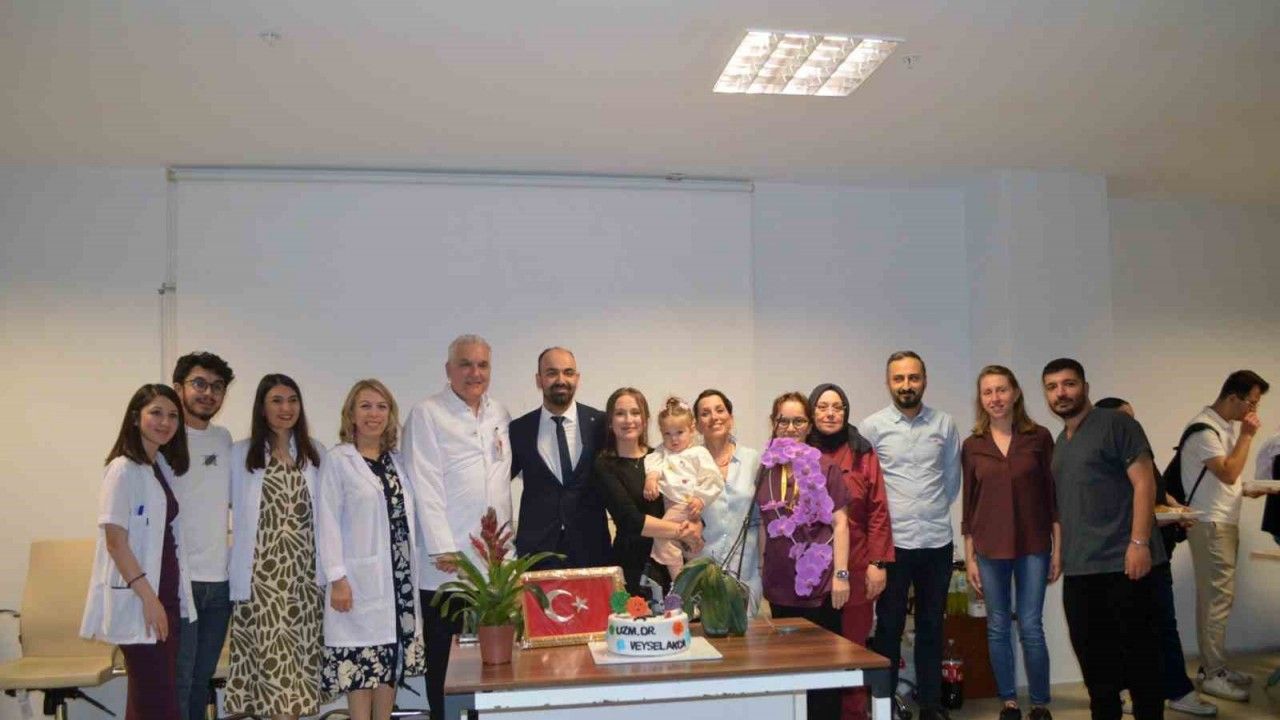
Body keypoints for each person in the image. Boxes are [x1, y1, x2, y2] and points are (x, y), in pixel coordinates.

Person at [1041, 358, 1165, 720]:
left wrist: (1139, 543)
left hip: (1124, 565)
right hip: (1082, 570)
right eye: (1052, 387)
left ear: (1085, 387)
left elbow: (1144, 482)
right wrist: (1059, 553)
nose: (1061, 393)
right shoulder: (1061, 442)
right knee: (1096, 669)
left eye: (1069, 384)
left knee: (1141, 664)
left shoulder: (1116, 424)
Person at [401, 335, 512, 719]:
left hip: (493, 568)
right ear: (449, 370)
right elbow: (423, 481)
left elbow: (500, 484)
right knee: (445, 663)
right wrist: (442, 546)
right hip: (446, 567)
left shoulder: (499, 413)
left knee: (492, 662)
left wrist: (507, 550)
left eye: (482, 365)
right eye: (465, 364)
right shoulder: (427, 413)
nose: (474, 373)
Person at [1094, 397, 1217, 717]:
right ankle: (1127, 690)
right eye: (1124, 419)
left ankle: (1177, 690)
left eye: (1133, 418)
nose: (1132, 425)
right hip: (1121, 558)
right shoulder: (1101, 461)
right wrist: (1162, 516)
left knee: (1163, 624)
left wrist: (1177, 509)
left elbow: (1156, 491)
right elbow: (1122, 510)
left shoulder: (1139, 450)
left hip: (1157, 554)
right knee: (1123, 629)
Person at [81, 384, 195, 720]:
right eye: (156, 413)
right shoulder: (122, 469)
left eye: (172, 415)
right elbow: (115, 542)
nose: (165, 422)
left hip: (167, 597)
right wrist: (149, 598)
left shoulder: (158, 466)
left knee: (147, 702)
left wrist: (162, 599)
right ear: (135, 418)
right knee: (159, 705)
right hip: (143, 600)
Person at [315, 379, 425, 720]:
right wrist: (337, 578)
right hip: (357, 581)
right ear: (351, 414)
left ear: (390, 414)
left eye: (381, 407)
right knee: (360, 668)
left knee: (389, 664)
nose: (373, 414)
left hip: (400, 583)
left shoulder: (398, 462)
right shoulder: (339, 460)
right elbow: (327, 522)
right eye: (365, 406)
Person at [861, 351, 961, 720]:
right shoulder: (872, 427)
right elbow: (868, 488)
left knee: (932, 625)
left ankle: (931, 705)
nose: (907, 385)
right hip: (893, 545)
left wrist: (927, 509)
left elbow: (951, 481)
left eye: (913, 378)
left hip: (936, 542)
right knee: (888, 627)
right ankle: (884, 706)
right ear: (889, 382)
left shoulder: (944, 424)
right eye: (899, 378)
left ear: (924, 380)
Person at [225, 374, 329, 718]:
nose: (286, 408)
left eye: (292, 400)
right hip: (262, 586)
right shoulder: (240, 454)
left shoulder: (316, 453)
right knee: (272, 681)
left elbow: (329, 517)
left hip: (304, 585)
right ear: (262, 407)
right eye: (277, 400)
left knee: (298, 678)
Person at [961, 366, 1059, 720]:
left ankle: (1040, 703)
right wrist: (970, 558)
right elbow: (969, 505)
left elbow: (1054, 498)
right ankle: (1009, 701)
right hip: (989, 547)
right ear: (981, 399)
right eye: (987, 392)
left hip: (1034, 544)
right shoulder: (972, 445)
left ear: (1015, 393)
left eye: (1001, 390)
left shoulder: (1039, 437)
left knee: (1031, 626)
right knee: (998, 626)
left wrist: (1058, 549)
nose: (995, 398)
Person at [757, 391, 852, 720]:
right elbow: (764, 525)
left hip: (822, 587)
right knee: (788, 674)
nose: (790, 427)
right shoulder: (766, 470)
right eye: (783, 420)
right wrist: (762, 571)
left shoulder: (826, 467)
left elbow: (841, 523)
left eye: (798, 420)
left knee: (825, 676)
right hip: (780, 586)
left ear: (809, 425)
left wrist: (841, 575)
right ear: (773, 423)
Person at [1179, 370, 1269, 702]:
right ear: (1233, 397)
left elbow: (1226, 481)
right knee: (1216, 601)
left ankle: (1214, 667)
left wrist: (1248, 489)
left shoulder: (1223, 428)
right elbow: (1229, 472)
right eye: (1252, 403)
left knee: (1218, 600)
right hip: (1211, 526)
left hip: (1221, 522)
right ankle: (1212, 674)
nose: (1254, 411)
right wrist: (1247, 435)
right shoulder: (1205, 429)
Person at [806, 383, 893, 720]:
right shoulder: (800, 451)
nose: (830, 413)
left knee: (853, 653)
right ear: (812, 412)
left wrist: (878, 562)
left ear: (846, 412)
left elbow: (878, 510)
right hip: (810, 575)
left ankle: (855, 714)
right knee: (818, 657)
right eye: (823, 407)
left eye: (837, 407)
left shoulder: (862, 452)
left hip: (856, 568)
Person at [170, 351, 235, 720]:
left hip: (219, 583)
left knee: (200, 681)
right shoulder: (164, 438)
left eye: (217, 386)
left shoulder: (224, 440)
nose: (208, 393)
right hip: (179, 582)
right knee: (177, 682)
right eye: (199, 383)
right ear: (179, 387)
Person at [592, 387, 703, 597]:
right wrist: (683, 532)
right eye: (620, 413)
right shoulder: (604, 465)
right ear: (610, 422)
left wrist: (696, 523)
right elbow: (631, 520)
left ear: (645, 420)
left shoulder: (661, 456)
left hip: (671, 564)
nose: (628, 420)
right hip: (632, 567)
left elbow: (685, 496)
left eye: (635, 412)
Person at [508, 347, 612, 568]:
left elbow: (627, 465)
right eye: (552, 373)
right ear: (539, 380)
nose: (561, 380)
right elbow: (496, 481)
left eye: (568, 372)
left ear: (577, 378)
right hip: (537, 553)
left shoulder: (601, 424)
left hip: (592, 548)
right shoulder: (519, 430)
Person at [691, 389, 763, 612]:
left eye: (720, 410)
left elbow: (764, 517)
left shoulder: (753, 459)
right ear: (697, 425)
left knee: (748, 632)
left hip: (747, 571)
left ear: (730, 418)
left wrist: (764, 564)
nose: (714, 417)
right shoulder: (688, 462)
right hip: (703, 572)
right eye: (705, 413)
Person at [643, 396, 723, 577]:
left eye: (679, 432)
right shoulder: (662, 451)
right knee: (684, 540)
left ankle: (679, 577)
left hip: (686, 504)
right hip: (669, 504)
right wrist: (652, 478)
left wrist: (700, 498)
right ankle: (694, 565)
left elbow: (713, 478)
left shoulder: (698, 452)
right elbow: (653, 463)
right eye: (667, 434)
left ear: (691, 429)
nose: (674, 439)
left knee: (663, 537)